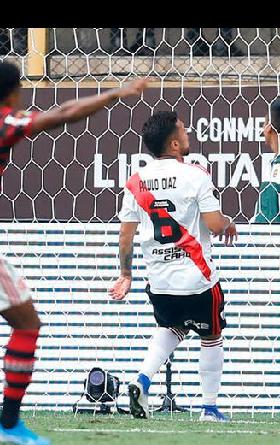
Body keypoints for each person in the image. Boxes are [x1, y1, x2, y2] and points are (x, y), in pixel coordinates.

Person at [0, 61, 147, 445]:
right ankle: (9, 423)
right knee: (27, 324)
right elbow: (63, 113)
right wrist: (116, 93)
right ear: (14, 93)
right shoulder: (5, 124)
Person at [109, 111, 237, 423]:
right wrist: (228, 224)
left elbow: (126, 235)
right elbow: (214, 224)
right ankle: (209, 408)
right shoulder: (196, 175)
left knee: (171, 328)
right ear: (176, 143)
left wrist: (125, 275)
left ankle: (141, 380)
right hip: (198, 280)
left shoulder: (135, 182)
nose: (188, 133)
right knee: (212, 336)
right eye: (184, 130)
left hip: (160, 284)